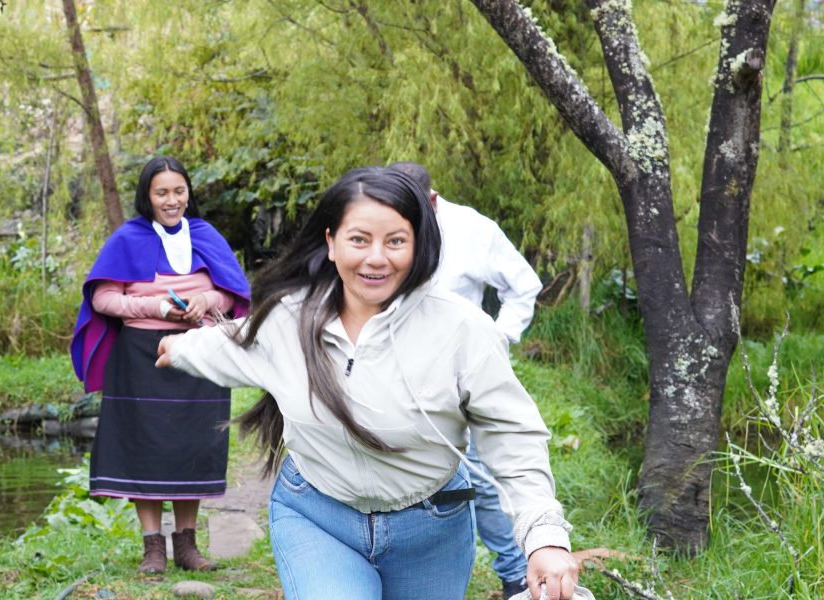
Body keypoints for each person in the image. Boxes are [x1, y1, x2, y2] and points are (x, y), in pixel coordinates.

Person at [155, 166, 579, 599]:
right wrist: (178, 347)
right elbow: (229, 343)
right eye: (359, 239)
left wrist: (543, 535)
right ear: (331, 242)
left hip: (430, 527)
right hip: (317, 518)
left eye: (396, 241)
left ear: (418, 246)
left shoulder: (463, 328)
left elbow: (512, 433)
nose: (376, 257)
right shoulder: (288, 320)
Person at [70, 156, 250, 574]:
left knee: (194, 443)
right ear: (147, 197)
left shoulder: (205, 234)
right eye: (162, 193)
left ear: (188, 192)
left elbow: (233, 293)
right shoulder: (128, 238)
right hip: (140, 356)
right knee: (143, 446)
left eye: (179, 191)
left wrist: (207, 301)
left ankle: (186, 546)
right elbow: (103, 298)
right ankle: (153, 547)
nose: (172, 200)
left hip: (199, 353)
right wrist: (156, 306)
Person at [388, 161, 542, 599]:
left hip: (457, 376)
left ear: (432, 201)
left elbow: (524, 286)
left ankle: (515, 576)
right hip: (390, 372)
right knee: (403, 472)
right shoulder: (381, 225)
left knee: (479, 476)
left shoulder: (473, 229)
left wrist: (497, 337)